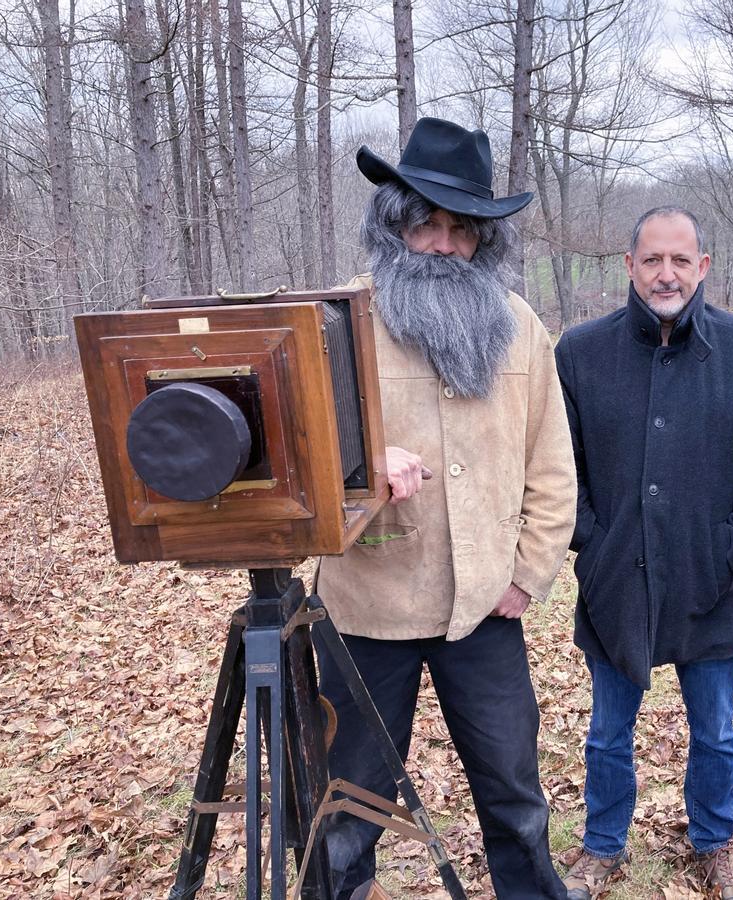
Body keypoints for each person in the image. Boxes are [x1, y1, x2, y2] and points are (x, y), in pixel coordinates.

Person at [313, 117, 577, 900]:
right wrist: (357, 466)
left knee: (515, 798)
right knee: (349, 806)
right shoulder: (339, 321)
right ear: (393, 223)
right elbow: (291, 454)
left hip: (485, 611)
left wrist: (526, 579)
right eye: (424, 221)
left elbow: (552, 466)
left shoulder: (521, 327)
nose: (441, 243)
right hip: (367, 610)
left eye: (461, 228)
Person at [554, 207, 733, 900]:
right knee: (606, 732)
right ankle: (602, 846)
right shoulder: (579, 352)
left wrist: (729, 550)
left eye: (680, 260)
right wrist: (592, 545)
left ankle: (714, 840)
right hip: (612, 577)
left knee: (715, 731)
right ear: (628, 266)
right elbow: (559, 469)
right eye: (652, 259)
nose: (666, 273)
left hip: (710, 578)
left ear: (704, 267)